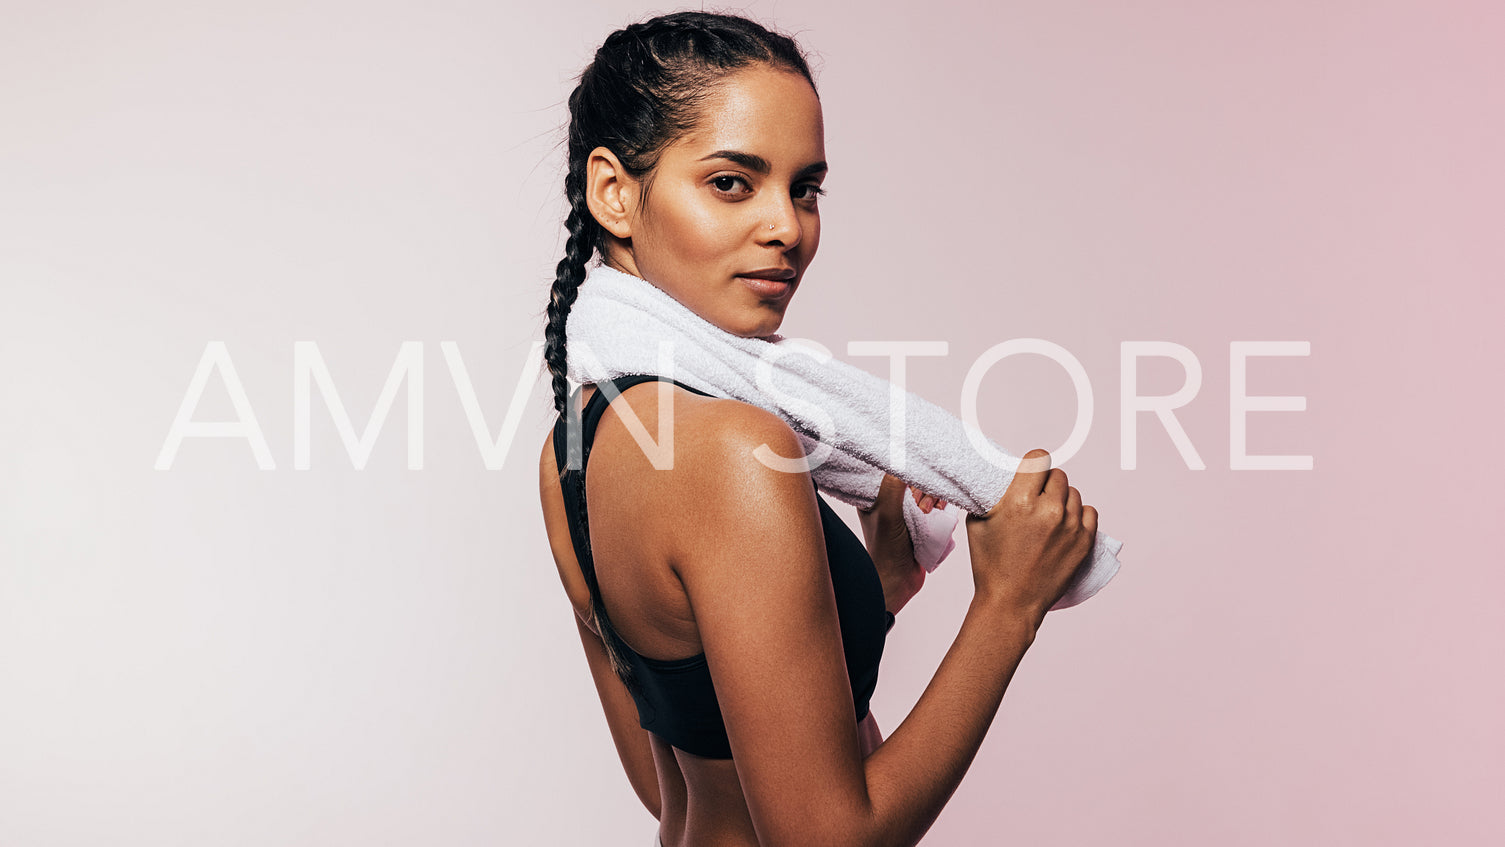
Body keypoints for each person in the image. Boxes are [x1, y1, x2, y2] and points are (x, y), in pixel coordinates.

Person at [535, 11, 1099, 846]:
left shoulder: (574, 446)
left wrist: (874, 591)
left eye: (804, 188)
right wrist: (1008, 604)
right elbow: (826, 837)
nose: (786, 228)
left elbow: (670, 778)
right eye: (732, 181)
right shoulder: (729, 449)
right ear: (615, 192)